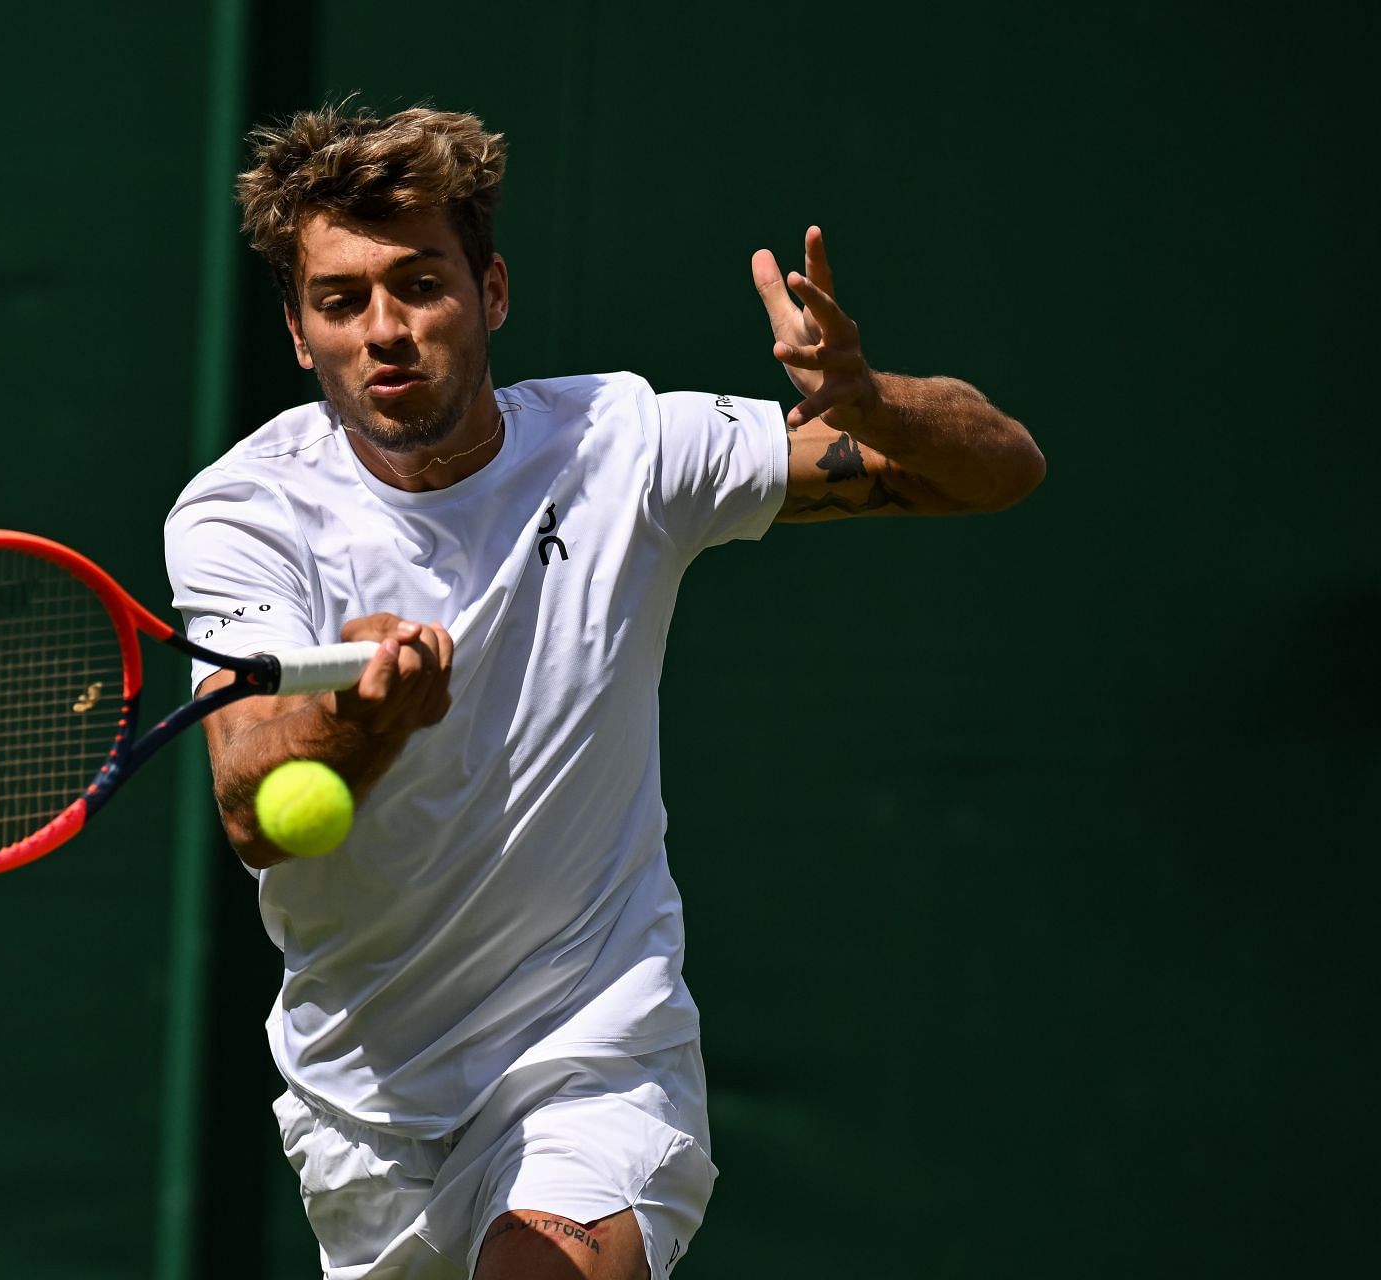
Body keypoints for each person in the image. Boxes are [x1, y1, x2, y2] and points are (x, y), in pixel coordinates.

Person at [162, 104, 1044, 1280]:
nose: (385, 329)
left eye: (421, 284)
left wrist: (868, 396)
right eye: (341, 299)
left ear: (493, 291)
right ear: (297, 329)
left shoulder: (623, 446)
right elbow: (247, 795)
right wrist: (364, 721)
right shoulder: (241, 516)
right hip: (362, 1110)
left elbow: (999, 469)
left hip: (592, 1051)